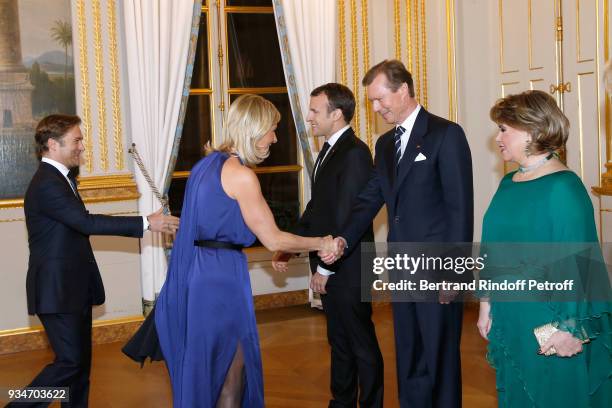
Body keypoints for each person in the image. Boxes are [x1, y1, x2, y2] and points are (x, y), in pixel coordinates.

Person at [152, 94, 336, 408]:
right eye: (272, 130)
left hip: (199, 274)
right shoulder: (241, 175)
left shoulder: (205, 165)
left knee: (212, 366)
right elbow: (274, 240)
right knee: (231, 374)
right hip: (221, 278)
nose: (275, 138)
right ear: (254, 129)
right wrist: (322, 243)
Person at [324, 59, 473, 408]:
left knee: (440, 358)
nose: (375, 108)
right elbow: (370, 198)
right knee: (409, 355)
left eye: (379, 99)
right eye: (371, 101)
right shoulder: (385, 144)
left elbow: (459, 208)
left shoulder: (445, 134)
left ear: (403, 90)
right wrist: (344, 238)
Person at [11, 114, 179, 408]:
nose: (81, 146)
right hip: (56, 291)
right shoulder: (47, 183)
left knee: (80, 369)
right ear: (53, 144)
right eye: (76, 140)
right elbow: (85, 223)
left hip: (71, 289)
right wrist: (145, 223)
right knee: (69, 365)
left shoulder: (61, 179)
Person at [477, 90, 611, 407]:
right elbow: (491, 247)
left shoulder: (564, 188)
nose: (498, 137)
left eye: (504, 129)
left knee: (552, 395)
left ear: (532, 131)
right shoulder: (508, 184)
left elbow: (580, 264)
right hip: (511, 314)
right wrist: (486, 304)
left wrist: (569, 329)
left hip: (547, 320)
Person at [272, 83, 384, 407]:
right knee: (339, 340)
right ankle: (343, 402)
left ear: (336, 114)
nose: (308, 117)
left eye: (314, 111)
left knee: (361, 341)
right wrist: (288, 245)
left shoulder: (355, 153)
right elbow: (317, 208)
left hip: (348, 266)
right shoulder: (329, 149)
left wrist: (325, 268)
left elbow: (346, 219)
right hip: (334, 264)